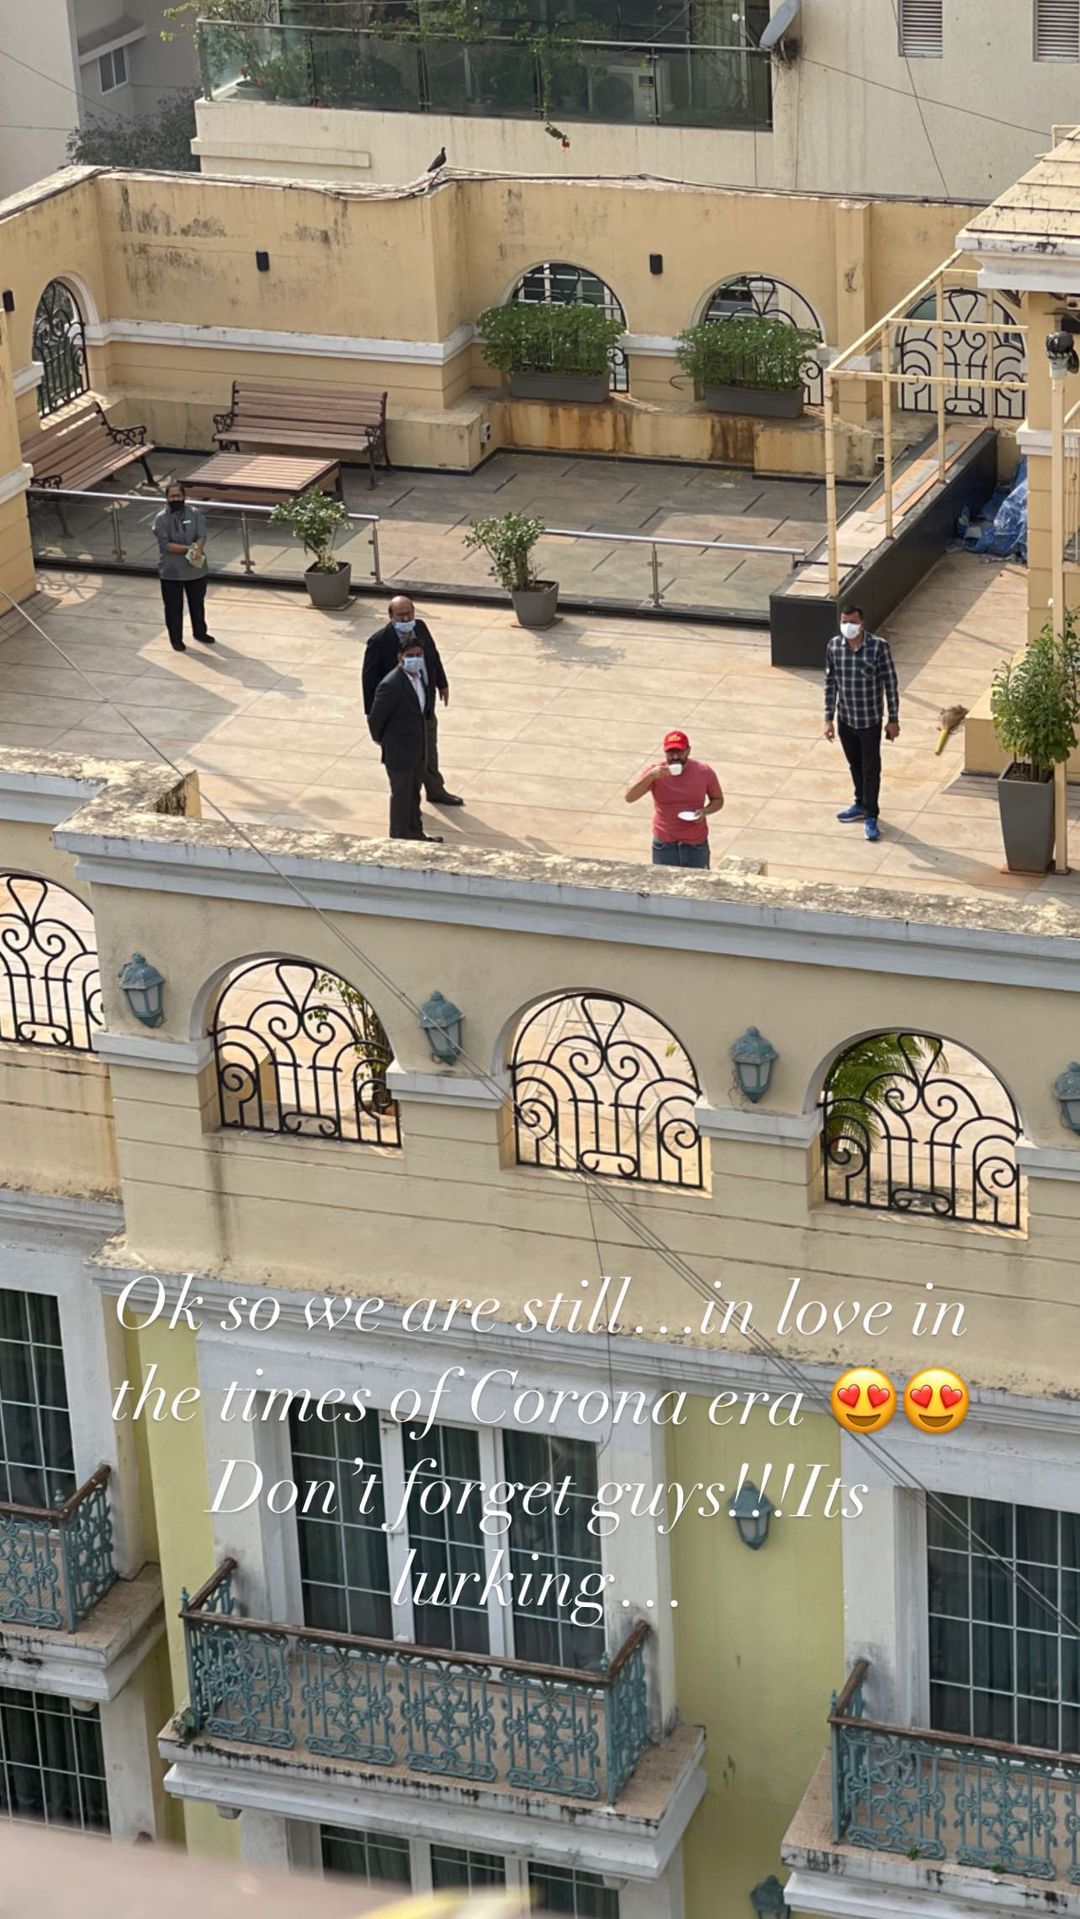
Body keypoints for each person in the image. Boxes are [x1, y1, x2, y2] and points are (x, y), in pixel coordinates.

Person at [362, 596, 462, 807]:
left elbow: (433, 656)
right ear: (391, 616)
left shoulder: (421, 628)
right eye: (401, 615)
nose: (407, 619)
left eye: (410, 614)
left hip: (424, 706)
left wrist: (442, 683)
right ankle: (408, 803)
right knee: (406, 763)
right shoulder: (379, 642)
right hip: (400, 716)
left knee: (430, 752)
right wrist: (374, 721)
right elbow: (369, 683)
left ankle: (435, 789)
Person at [824, 604, 900, 843]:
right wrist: (828, 719)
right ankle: (860, 803)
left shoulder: (878, 647)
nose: (849, 626)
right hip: (846, 719)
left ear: (862, 623)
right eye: (844, 621)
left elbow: (890, 684)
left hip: (869, 721)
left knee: (871, 768)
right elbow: (830, 684)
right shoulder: (834, 647)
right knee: (855, 765)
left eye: (853, 621)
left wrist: (893, 719)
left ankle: (871, 814)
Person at [368, 633, 444, 843]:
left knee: (413, 794)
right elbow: (376, 720)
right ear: (400, 657)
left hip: (418, 750)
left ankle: (415, 833)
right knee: (402, 796)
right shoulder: (391, 685)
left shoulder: (420, 679)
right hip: (400, 752)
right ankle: (400, 838)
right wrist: (386, 741)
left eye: (418, 655)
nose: (415, 659)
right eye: (410, 655)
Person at [624, 729, 724, 868]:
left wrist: (705, 811)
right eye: (670, 753)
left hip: (695, 845)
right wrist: (650, 776)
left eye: (679, 752)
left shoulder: (704, 771)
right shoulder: (655, 772)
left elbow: (718, 799)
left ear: (688, 750)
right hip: (664, 845)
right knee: (662, 882)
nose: (675, 757)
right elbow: (629, 797)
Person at [153, 482, 215, 653]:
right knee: (174, 607)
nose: (176, 499)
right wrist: (190, 548)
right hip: (171, 571)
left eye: (178, 496)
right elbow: (166, 545)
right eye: (172, 496)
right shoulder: (161, 519)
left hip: (196, 569)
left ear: (184, 496)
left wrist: (198, 548)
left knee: (197, 603)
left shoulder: (195, 513)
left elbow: (201, 535)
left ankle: (200, 632)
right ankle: (176, 639)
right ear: (167, 498)